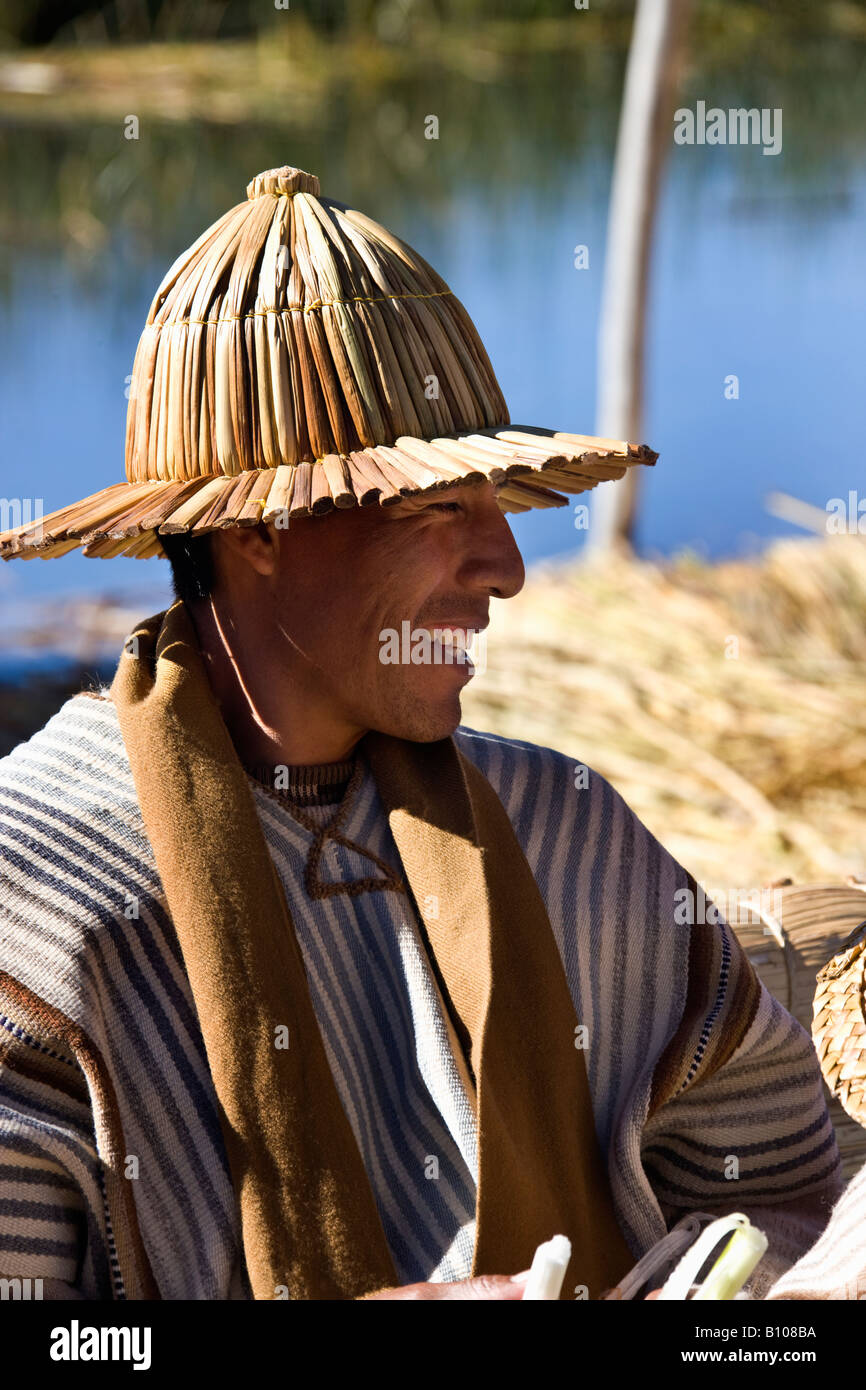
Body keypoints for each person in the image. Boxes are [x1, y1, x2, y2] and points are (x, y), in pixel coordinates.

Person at [0, 165, 842, 1301]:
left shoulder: (562, 838)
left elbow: (784, 1184)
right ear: (259, 531)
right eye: (440, 509)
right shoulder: (40, 913)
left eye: (495, 505)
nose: (504, 569)